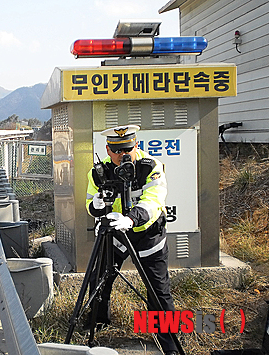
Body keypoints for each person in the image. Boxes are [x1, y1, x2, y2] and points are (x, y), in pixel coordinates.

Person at [85, 125, 178, 355]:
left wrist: (131, 219)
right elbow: (90, 203)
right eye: (116, 150)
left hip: (147, 234)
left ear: (136, 145)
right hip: (115, 234)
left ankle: (167, 341)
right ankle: (97, 323)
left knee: (158, 289)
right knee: (99, 279)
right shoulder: (98, 172)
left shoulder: (150, 167)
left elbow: (154, 201)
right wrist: (95, 207)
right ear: (108, 149)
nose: (122, 155)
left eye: (127, 149)